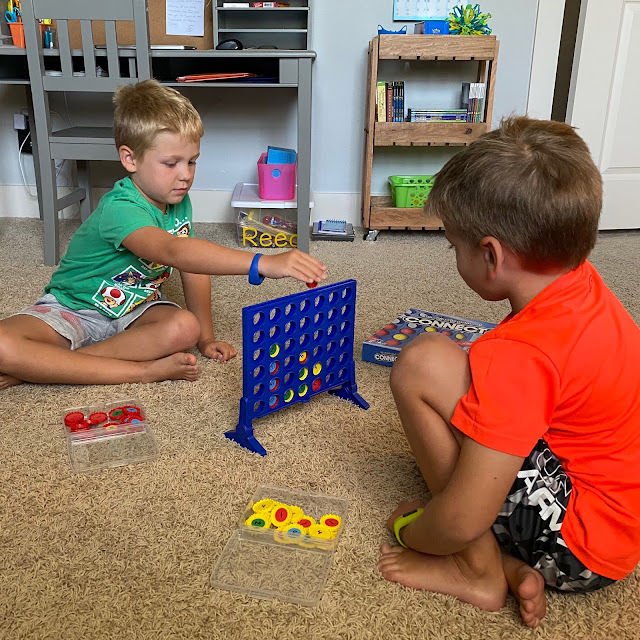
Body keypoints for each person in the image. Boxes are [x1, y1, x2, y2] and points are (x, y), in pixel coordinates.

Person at [377, 116, 640, 628]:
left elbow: (459, 520)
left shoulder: (520, 352)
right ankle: (510, 564)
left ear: (491, 256)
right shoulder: (583, 285)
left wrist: (410, 529)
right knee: (464, 371)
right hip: (619, 521)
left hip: (581, 550)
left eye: (454, 246)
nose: (453, 255)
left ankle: (476, 574)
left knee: (421, 362)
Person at [0, 80, 326, 389]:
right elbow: (173, 252)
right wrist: (262, 263)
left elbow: (193, 267)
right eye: (171, 163)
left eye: (192, 162)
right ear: (130, 158)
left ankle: (50, 366)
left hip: (136, 309)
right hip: (75, 308)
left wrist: (206, 338)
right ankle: (139, 371)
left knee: (186, 326)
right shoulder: (120, 207)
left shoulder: (178, 201)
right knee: (3, 345)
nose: (185, 175)